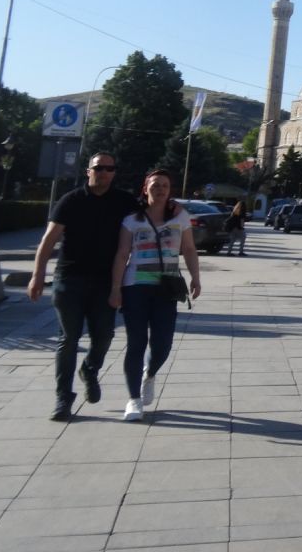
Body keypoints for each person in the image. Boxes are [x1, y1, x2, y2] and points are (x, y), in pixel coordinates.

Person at [28, 153, 137, 421]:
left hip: (105, 282)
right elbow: (48, 240)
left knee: (104, 335)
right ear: (88, 171)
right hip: (69, 279)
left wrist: (175, 209)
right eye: (99, 168)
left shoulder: (124, 201)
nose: (104, 172)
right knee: (68, 339)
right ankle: (63, 398)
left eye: (109, 168)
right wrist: (38, 275)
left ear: (114, 173)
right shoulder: (71, 200)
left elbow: (152, 214)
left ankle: (90, 368)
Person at [110, 166, 201, 421]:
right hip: (135, 287)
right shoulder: (132, 220)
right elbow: (122, 254)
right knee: (136, 343)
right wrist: (116, 288)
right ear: (145, 188)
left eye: (165, 185)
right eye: (155, 184)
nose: (160, 189)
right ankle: (133, 400)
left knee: (163, 344)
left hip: (166, 288)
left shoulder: (180, 217)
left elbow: (189, 249)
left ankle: (149, 374)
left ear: (170, 190)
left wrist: (196, 277)